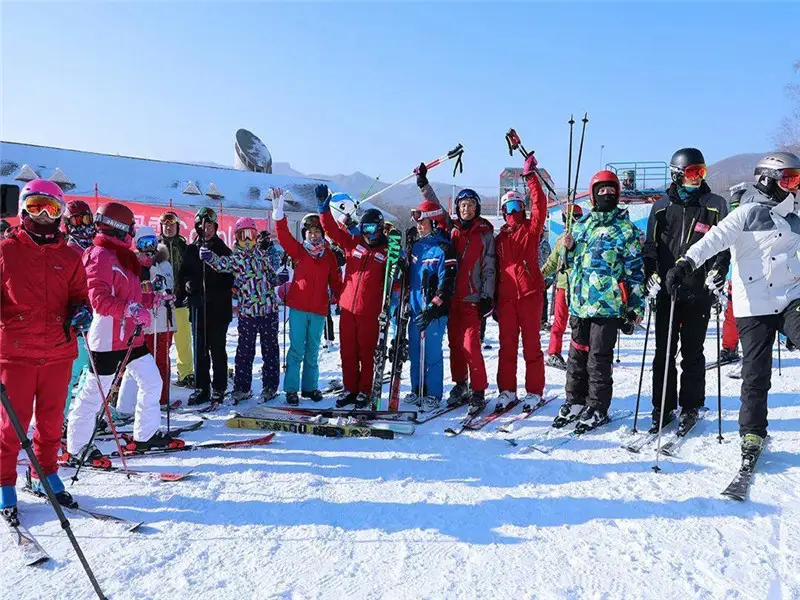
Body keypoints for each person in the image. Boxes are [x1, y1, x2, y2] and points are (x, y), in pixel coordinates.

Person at [666, 151, 800, 463]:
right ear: (769, 180)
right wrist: (685, 263)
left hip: (790, 297)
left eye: (797, 179)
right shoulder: (746, 213)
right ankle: (752, 432)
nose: (795, 186)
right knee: (756, 373)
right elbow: (712, 241)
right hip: (753, 304)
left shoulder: (795, 217)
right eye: (790, 179)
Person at [0, 180, 90, 520]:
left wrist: (82, 309)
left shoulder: (70, 255)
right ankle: (4, 481)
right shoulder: (6, 251)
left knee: (52, 422)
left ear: (61, 213)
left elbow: (81, 293)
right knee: (12, 426)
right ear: (23, 208)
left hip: (57, 351)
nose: (42, 215)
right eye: (36, 205)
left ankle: (44, 472)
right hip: (15, 353)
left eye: (50, 208)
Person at [66, 201, 178, 465]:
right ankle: (77, 446)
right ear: (118, 227)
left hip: (131, 337)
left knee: (152, 381)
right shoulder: (98, 255)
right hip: (106, 339)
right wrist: (130, 309)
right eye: (130, 227)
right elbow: (98, 300)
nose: (132, 232)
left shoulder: (123, 257)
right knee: (95, 394)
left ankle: (145, 434)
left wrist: (153, 299)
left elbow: (134, 295)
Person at [642, 148, 730, 433]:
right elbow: (651, 248)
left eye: (701, 172)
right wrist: (651, 275)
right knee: (663, 352)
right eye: (692, 173)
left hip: (698, 290)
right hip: (668, 291)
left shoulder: (715, 204)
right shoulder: (661, 207)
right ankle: (663, 405)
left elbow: (724, 246)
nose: (697, 179)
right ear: (677, 175)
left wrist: (718, 271)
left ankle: (691, 405)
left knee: (693, 352)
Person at [554, 170, 645, 432]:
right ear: (593, 195)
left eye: (611, 191)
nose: (606, 195)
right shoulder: (581, 227)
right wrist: (567, 250)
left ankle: (597, 406)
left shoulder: (626, 230)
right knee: (575, 356)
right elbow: (568, 265)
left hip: (608, 306)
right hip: (580, 304)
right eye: (601, 191)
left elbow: (635, 272)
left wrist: (636, 307)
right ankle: (575, 401)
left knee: (598, 358)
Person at [318, 184, 392, 407]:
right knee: (347, 352)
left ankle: (365, 390)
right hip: (347, 309)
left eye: (373, 230)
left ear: (380, 229)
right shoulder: (353, 243)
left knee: (367, 353)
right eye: (365, 229)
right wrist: (323, 209)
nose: (369, 234)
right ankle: (350, 388)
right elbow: (331, 230)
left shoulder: (386, 252)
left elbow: (395, 282)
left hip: (370, 313)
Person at [428, 182, 495, 412]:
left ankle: (478, 390)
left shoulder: (484, 233)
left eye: (471, 205)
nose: (466, 209)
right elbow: (435, 208)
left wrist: (487, 295)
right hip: (452, 298)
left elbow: (488, 267)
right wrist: (423, 184)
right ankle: (460, 385)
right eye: (463, 205)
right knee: (455, 345)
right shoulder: (452, 228)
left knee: (470, 346)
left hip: (472, 298)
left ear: (477, 208)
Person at [272, 188, 342, 406]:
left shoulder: (329, 256)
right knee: (296, 350)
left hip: (320, 309)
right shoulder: (299, 252)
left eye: (317, 231)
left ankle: (310, 388)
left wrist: (341, 298)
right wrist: (278, 213)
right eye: (310, 232)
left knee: (312, 350)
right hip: (299, 308)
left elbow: (336, 281)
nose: (314, 235)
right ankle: (291, 389)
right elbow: (283, 237)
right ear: (305, 234)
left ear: (322, 233)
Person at [199, 217, 280, 403]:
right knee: (245, 351)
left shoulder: (263, 256)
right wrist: (210, 257)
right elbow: (222, 264)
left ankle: (270, 385)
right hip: (248, 312)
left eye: (250, 235)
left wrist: (280, 279)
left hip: (268, 310)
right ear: (237, 238)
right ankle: (242, 387)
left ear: (255, 236)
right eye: (242, 236)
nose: (247, 240)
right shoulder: (237, 258)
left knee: (270, 350)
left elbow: (272, 278)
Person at [494, 153, 548, 412]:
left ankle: (534, 391)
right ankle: (506, 390)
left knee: (531, 345)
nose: (513, 213)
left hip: (529, 294)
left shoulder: (531, 229)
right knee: (506, 346)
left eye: (517, 208)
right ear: (503, 212)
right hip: (506, 299)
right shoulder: (499, 239)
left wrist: (530, 178)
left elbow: (541, 206)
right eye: (509, 209)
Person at [405, 185, 457, 412]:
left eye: (422, 223)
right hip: (416, 308)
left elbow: (447, 283)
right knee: (415, 351)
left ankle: (433, 393)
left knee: (432, 353)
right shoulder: (416, 246)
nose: (418, 227)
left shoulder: (444, 248)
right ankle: (417, 390)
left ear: (434, 223)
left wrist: (434, 307)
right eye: (417, 223)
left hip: (433, 311)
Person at [118, 226, 176, 410]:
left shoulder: (163, 264)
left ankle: (162, 398)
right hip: (145, 322)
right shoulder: (133, 265)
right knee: (142, 362)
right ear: (137, 245)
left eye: (152, 243)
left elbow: (170, 286)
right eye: (144, 243)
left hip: (163, 320)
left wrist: (168, 294)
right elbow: (133, 292)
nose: (149, 248)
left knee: (162, 359)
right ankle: (134, 402)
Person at [180, 208, 234, 405]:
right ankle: (202, 387)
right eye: (203, 226)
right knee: (200, 351)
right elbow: (184, 273)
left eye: (210, 226)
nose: (207, 230)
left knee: (217, 350)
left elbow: (229, 279)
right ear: (197, 228)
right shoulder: (191, 249)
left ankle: (219, 387)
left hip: (218, 309)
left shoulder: (223, 250)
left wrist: (212, 292)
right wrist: (187, 285)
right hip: (197, 308)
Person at [61, 200, 97, 427]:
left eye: (87, 220)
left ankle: (83, 415)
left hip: (95, 317)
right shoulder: (68, 250)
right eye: (77, 220)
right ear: (67, 223)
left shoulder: (93, 247)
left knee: (91, 370)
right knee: (71, 373)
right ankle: (60, 419)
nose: (83, 226)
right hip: (76, 322)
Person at [542, 203, 584, 370]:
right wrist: (539, 276)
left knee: (579, 323)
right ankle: (553, 352)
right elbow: (552, 262)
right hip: (563, 285)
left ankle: (579, 354)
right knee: (559, 321)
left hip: (580, 287)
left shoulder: (584, 239)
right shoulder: (561, 240)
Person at [159, 210, 194, 388]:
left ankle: (186, 374)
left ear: (177, 226)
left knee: (183, 341)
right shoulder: (155, 247)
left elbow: (190, 271)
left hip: (180, 301)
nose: (168, 227)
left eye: (172, 224)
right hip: (160, 304)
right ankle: (160, 375)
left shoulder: (184, 247)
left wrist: (189, 288)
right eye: (165, 224)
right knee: (162, 342)